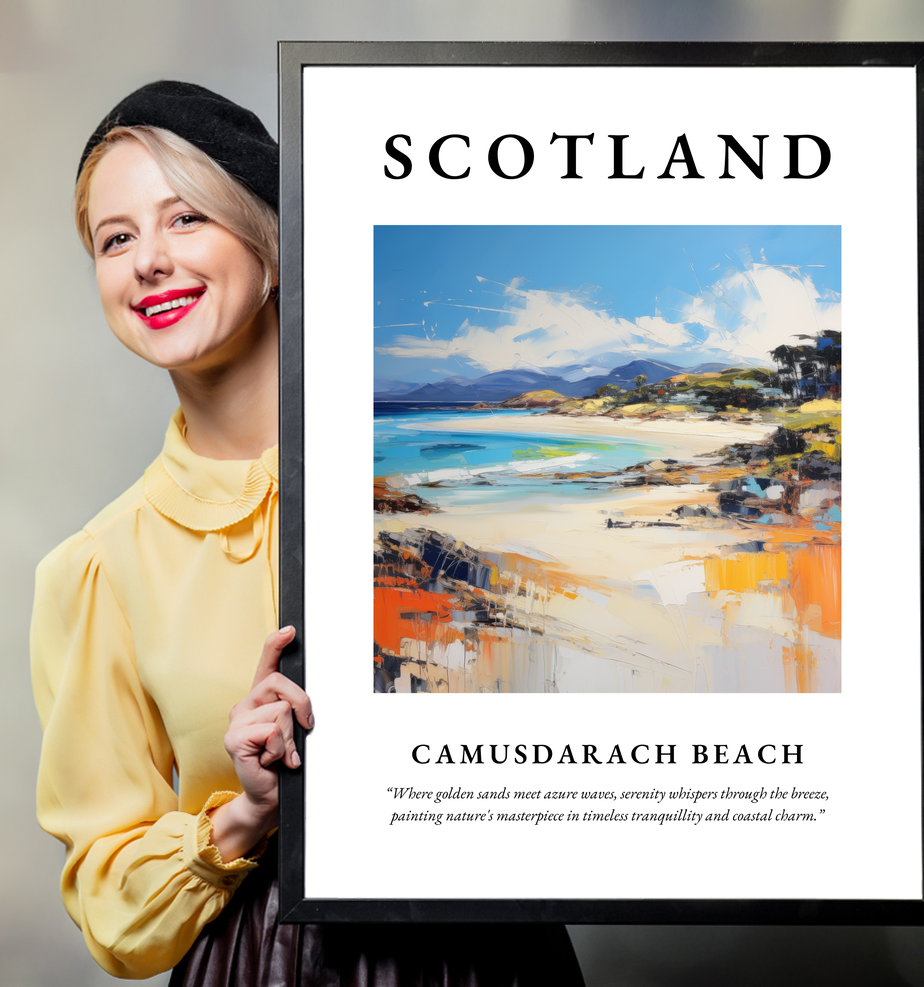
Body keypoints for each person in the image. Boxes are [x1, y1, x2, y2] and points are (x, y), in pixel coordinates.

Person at [30, 81, 585, 985]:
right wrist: (245, 813)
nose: (148, 262)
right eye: (116, 238)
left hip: (493, 954)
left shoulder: (438, 488)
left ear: (273, 245)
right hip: (263, 962)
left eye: (186, 220)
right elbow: (110, 905)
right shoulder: (97, 568)